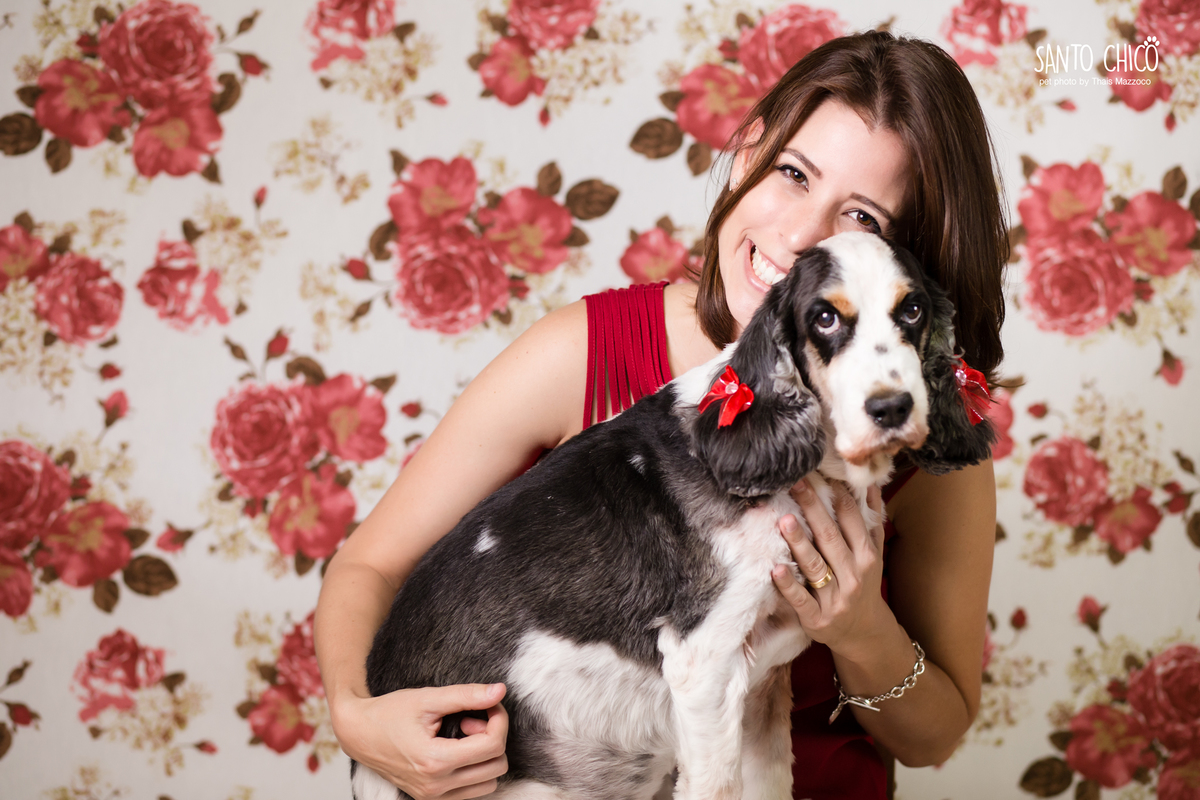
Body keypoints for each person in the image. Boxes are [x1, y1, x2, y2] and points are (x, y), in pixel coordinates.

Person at [316, 30, 1007, 800]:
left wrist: (857, 630)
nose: (801, 234)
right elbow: (369, 565)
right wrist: (354, 715)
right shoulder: (589, 350)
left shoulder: (913, 431)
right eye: (793, 173)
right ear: (747, 153)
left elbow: (936, 736)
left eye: (863, 220)